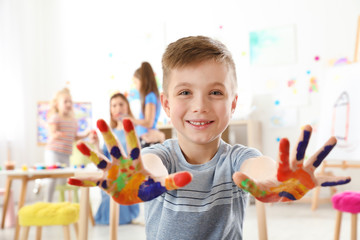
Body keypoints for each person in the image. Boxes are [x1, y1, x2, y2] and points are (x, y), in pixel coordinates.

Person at [68, 36, 351, 239]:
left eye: (215, 92)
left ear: (233, 103)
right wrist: (144, 177)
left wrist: (277, 179)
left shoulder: (238, 158)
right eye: (185, 92)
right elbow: (152, 165)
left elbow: (258, 168)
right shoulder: (161, 156)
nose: (200, 105)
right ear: (166, 104)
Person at [93, 92, 140, 225]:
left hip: (129, 174)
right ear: (110, 110)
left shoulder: (133, 129)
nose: (117, 108)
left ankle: (122, 217)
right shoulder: (110, 133)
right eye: (114, 105)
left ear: (127, 107)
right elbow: (104, 159)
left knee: (117, 188)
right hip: (114, 173)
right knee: (108, 188)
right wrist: (96, 144)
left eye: (121, 104)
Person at [44, 87, 90, 202]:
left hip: (66, 154)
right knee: (52, 178)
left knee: (64, 180)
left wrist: (84, 135)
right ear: (57, 104)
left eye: (70, 101)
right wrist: (56, 134)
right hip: (53, 152)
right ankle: (47, 202)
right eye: (65, 101)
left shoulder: (73, 121)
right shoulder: (55, 118)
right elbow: (52, 133)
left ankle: (63, 202)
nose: (69, 104)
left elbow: (74, 137)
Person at [130, 62, 165, 148]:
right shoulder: (149, 96)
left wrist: (132, 120)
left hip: (148, 139)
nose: (135, 86)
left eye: (136, 82)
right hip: (145, 138)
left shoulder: (150, 96)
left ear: (142, 80)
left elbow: (149, 122)